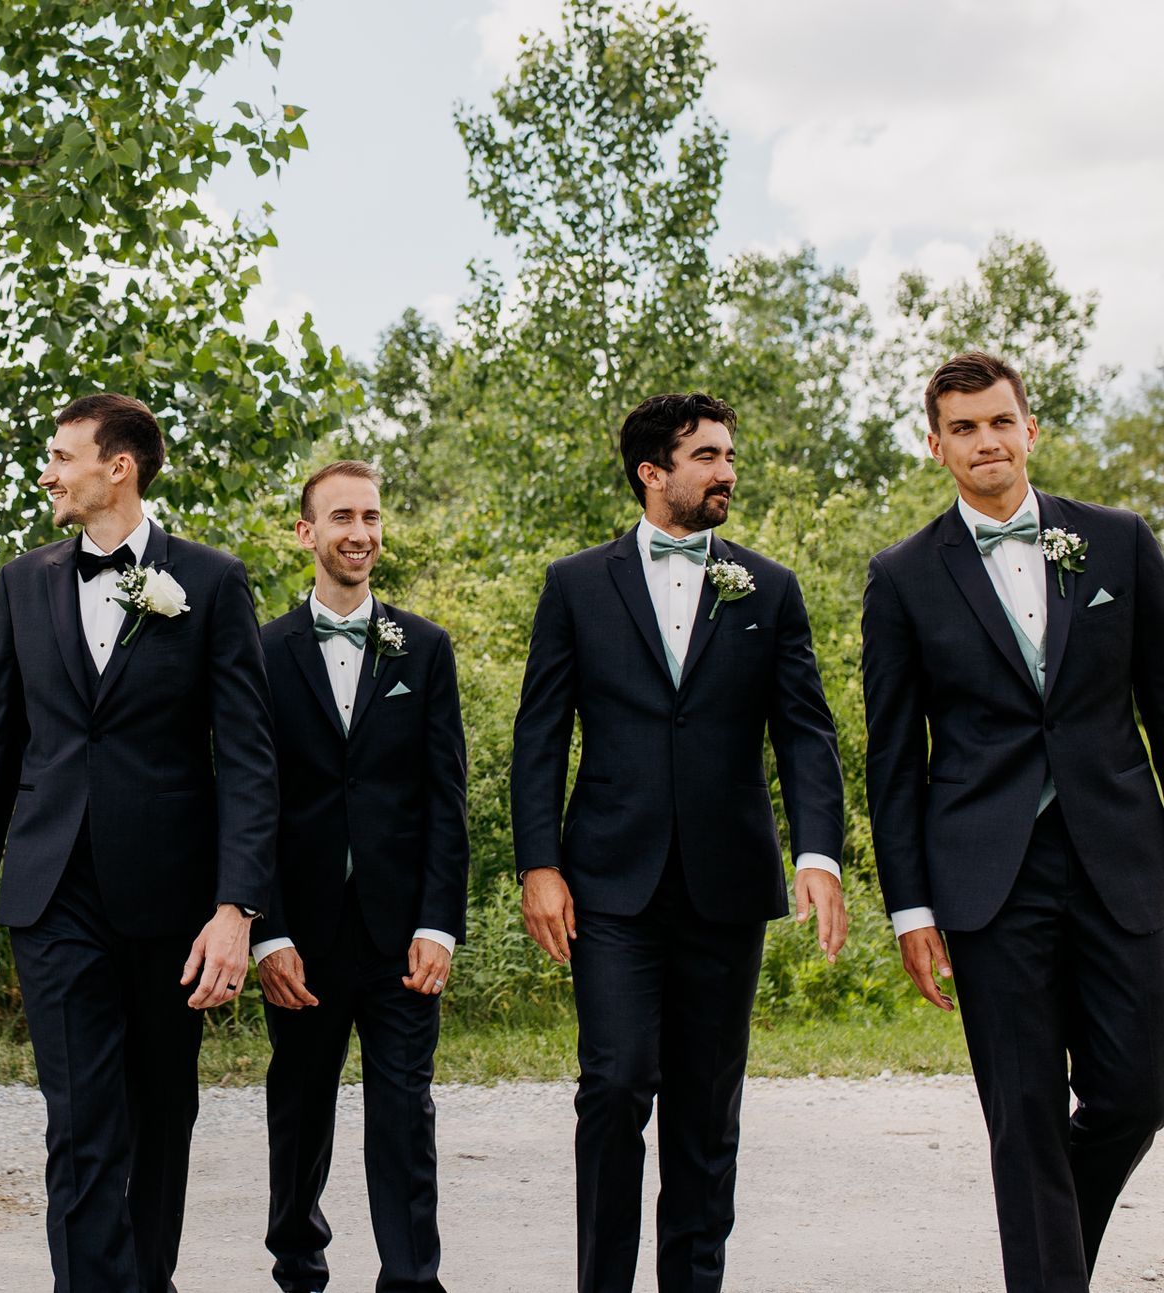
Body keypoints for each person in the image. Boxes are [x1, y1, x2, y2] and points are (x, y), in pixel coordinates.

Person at [511, 393, 847, 1292]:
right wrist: (538, 863)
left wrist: (818, 853)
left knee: (706, 1108)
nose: (727, 471)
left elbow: (805, 731)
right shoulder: (576, 584)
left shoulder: (769, 587)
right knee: (615, 1084)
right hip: (609, 883)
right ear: (652, 472)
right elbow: (540, 734)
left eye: (729, 455)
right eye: (707, 456)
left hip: (727, 882)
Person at [0, 393, 278, 1292]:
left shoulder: (212, 581)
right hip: (52, 894)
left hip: (172, 899)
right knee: (81, 1119)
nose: (47, 473)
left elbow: (249, 759)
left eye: (62, 456)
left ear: (117, 466)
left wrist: (236, 908)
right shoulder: (22, 582)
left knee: (162, 1112)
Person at [861, 351, 1164, 1291]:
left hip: (1123, 856)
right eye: (963, 427)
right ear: (936, 445)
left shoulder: (1118, 541)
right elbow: (891, 757)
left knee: (1139, 1087)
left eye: (1000, 421)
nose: (985, 440)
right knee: (1023, 1111)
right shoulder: (903, 575)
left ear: (1030, 428)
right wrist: (911, 910)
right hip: (987, 878)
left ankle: (1047, 1242)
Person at [252, 460, 469, 1293]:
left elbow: (445, 796)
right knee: (299, 1107)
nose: (360, 532)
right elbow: (249, 800)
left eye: (371, 516)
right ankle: (298, 1266)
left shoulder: (426, 647)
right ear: (306, 532)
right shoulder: (261, 651)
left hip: (400, 929)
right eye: (342, 516)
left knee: (405, 1110)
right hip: (300, 932)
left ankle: (411, 1279)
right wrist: (266, 929)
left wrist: (438, 922)